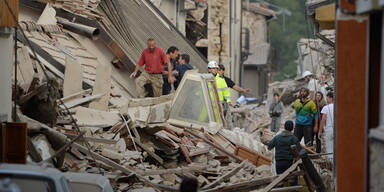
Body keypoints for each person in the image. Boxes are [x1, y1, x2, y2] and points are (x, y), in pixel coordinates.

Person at [319, 92, 334, 158]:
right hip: (338, 130)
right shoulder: (339, 106)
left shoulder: (326, 107)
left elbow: (323, 119)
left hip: (329, 130)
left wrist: (320, 131)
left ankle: (332, 164)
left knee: (329, 149)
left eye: (327, 98)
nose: (326, 100)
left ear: (330, 98)